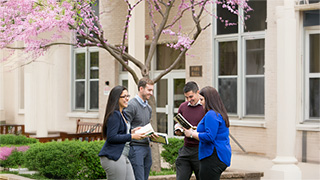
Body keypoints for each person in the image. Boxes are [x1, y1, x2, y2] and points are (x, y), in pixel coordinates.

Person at [184, 86, 231, 180]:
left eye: (202, 99)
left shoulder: (211, 114)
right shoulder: (219, 113)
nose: (200, 102)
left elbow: (210, 136)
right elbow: (214, 131)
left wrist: (191, 134)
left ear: (209, 100)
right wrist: (196, 129)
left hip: (212, 156)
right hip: (220, 156)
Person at [99, 85, 146, 180]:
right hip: (114, 157)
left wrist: (132, 131)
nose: (127, 99)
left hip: (123, 155)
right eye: (124, 96)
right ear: (116, 98)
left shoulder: (122, 114)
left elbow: (120, 132)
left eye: (128, 96)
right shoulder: (114, 115)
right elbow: (111, 137)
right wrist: (132, 136)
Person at [123, 78, 154, 180]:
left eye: (152, 90)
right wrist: (133, 131)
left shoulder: (148, 108)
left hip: (146, 147)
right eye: (149, 90)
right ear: (141, 88)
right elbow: (124, 127)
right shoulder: (131, 105)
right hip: (135, 148)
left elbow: (146, 126)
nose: (151, 93)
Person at [174, 81, 206, 180]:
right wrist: (178, 128)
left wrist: (194, 132)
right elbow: (179, 122)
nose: (189, 100)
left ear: (198, 92)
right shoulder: (183, 107)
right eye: (186, 97)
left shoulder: (205, 107)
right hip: (186, 149)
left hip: (200, 150)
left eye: (191, 97)